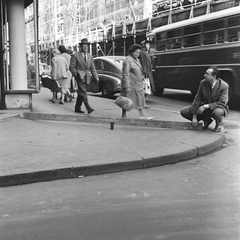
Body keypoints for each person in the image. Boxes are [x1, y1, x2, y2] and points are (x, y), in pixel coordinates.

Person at [180, 66, 229, 132]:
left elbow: (222, 103)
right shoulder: (203, 83)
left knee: (218, 113)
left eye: (207, 74)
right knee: (184, 111)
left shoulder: (224, 86)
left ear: (214, 77)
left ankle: (218, 125)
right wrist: (194, 116)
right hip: (205, 107)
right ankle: (206, 120)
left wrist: (205, 106)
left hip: (217, 107)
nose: (204, 75)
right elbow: (198, 98)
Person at [121, 44, 154, 120]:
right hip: (131, 84)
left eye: (139, 53)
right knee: (127, 100)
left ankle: (142, 115)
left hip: (138, 83)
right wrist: (126, 86)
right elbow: (125, 74)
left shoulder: (137, 60)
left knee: (140, 100)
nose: (138, 55)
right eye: (136, 53)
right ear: (132, 52)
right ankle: (124, 114)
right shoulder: (127, 60)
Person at [69, 38, 99, 114]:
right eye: (84, 46)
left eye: (87, 46)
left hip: (87, 77)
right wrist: (76, 75)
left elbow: (92, 67)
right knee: (83, 91)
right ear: (81, 47)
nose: (86, 47)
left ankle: (77, 107)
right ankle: (88, 107)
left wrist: (96, 77)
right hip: (79, 76)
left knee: (81, 92)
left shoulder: (90, 56)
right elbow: (72, 67)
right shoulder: (75, 55)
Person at [139, 39, 155, 108]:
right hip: (144, 74)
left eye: (149, 45)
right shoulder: (142, 53)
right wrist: (143, 73)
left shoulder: (146, 53)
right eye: (147, 45)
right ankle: (142, 103)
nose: (149, 46)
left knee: (146, 89)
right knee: (145, 89)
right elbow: (143, 64)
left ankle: (142, 102)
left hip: (147, 73)